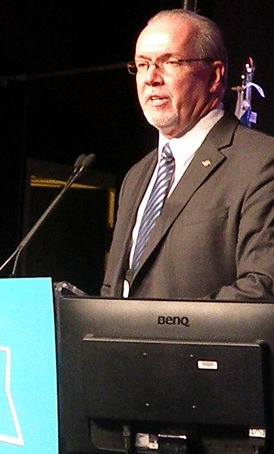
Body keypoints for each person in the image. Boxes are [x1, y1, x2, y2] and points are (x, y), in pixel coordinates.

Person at [101, 9, 274, 300]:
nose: (151, 78)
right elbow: (115, 289)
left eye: (169, 62)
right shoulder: (138, 175)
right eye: (142, 65)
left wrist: (167, 331)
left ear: (215, 75)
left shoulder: (260, 161)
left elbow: (263, 286)